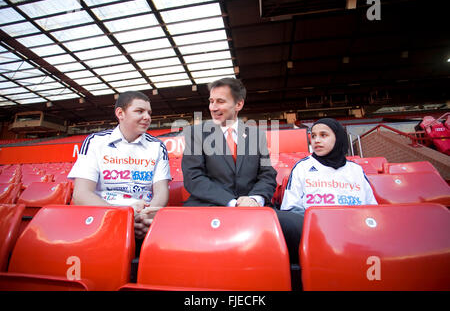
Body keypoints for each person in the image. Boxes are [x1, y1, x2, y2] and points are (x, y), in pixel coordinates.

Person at [182, 77, 303, 266]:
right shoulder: (195, 134)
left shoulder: (256, 135)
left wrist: (255, 199)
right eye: (211, 101)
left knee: (299, 225)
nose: (213, 107)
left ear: (239, 104)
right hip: (210, 207)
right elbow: (193, 177)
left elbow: (267, 174)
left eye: (220, 101)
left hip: (253, 208)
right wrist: (232, 203)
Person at [68, 91, 171, 244]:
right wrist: (123, 217)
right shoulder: (95, 142)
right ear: (120, 113)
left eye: (149, 112)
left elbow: (161, 190)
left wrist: (146, 216)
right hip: (102, 220)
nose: (147, 117)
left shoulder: (157, 146)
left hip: (143, 222)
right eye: (139, 111)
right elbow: (81, 193)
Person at [281, 118, 377, 214]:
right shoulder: (302, 167)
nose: (316, 140)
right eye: (313, 136)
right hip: (316, 227)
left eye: (323, 135)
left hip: (355, 226)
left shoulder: (356, 170)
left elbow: (372, 208)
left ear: (338, 137)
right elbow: (290, 209)